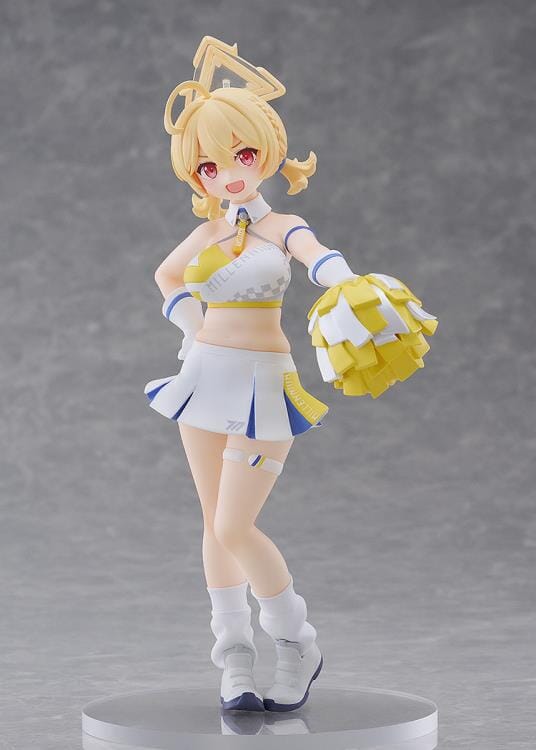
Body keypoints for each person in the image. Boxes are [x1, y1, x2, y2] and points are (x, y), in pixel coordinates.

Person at [144, 36, 437, 713]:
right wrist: (190, 326)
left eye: (242, 156)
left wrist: (349, 284)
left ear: (268, 151)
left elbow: (318, 256)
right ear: (196, 176)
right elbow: (166, 276)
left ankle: (296, 642)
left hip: (263, 384)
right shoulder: (208, 235)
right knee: (212, 524)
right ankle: (234, 659)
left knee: (234, 526)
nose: (230, 174)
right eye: (211, 165)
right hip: (203, 376)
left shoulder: (281, 224)